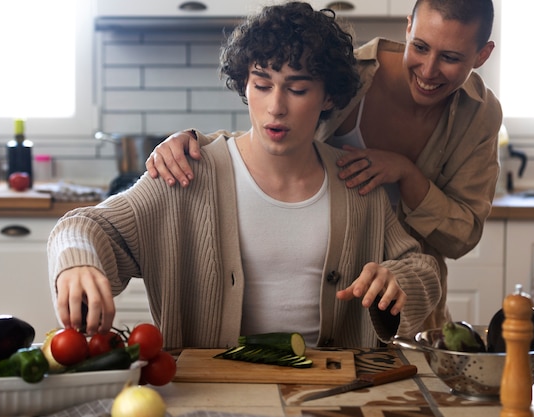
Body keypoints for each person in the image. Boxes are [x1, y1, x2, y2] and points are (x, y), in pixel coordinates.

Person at [47, 1, 440, 350]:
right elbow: (84, 225)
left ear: (329, 97)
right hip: (214, 392)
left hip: (332, 391)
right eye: (262, 85)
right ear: (244, 86)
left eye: (298, 89)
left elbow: (423, 269)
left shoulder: (357, 184)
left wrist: (398, 280)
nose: (276, 107)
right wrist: (78, 262)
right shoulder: (187, 173)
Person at [145, 0, 502, 330]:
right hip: (328, 297)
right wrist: (197, 143)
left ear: (482, 54)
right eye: (420, 47)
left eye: (451, 57)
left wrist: (406, 172)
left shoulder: (480, 115)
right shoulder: (352, 74)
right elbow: (273, 132)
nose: (428, 69)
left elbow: (461, 237)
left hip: (406, 301)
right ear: (408, 27)